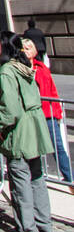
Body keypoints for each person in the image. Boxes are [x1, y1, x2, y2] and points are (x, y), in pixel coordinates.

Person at [0, 32, 54, 232]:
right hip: (34, 126)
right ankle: (44, 222)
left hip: (19, 129)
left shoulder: (7, 70)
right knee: (36, 176)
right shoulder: (25, 67)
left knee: (20, 178)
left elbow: (9, 107)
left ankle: (28, 226)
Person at [22, 38, 73, 187]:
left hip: (47, 113)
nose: (26, 51)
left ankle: (69, 178)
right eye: (24, 48)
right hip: (30, 115)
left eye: (29, 47)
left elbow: (52, 90)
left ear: (35, 51)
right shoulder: (19, 69)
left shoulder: (42, 68)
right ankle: (34, 177)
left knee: (58, 146)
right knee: (32, 148)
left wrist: (57, 111)